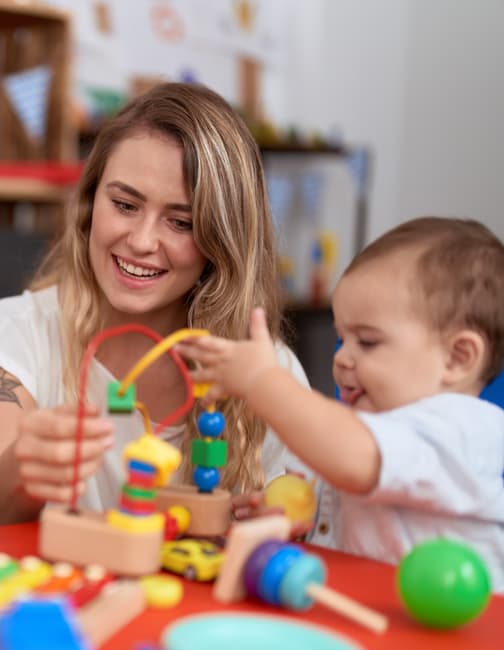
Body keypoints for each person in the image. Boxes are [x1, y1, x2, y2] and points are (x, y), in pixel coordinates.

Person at [0, 82, 311, 529]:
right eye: (124, 204)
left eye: (181, 222)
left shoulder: (266, 371)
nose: (141, 242)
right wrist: (22, 471)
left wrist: (286, 521)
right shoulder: (18, 332)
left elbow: (300, 523)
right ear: (89, 204)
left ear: (221, 241)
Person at [179, 217, 504, 590]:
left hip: (458, 637)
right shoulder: (359, 430)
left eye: (367, 342)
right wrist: (292, 514)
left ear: (457, 358)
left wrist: (262, 382)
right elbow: (337, 509)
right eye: (340, 339)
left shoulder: (463, 429)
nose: (342, 359)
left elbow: (357, 459)